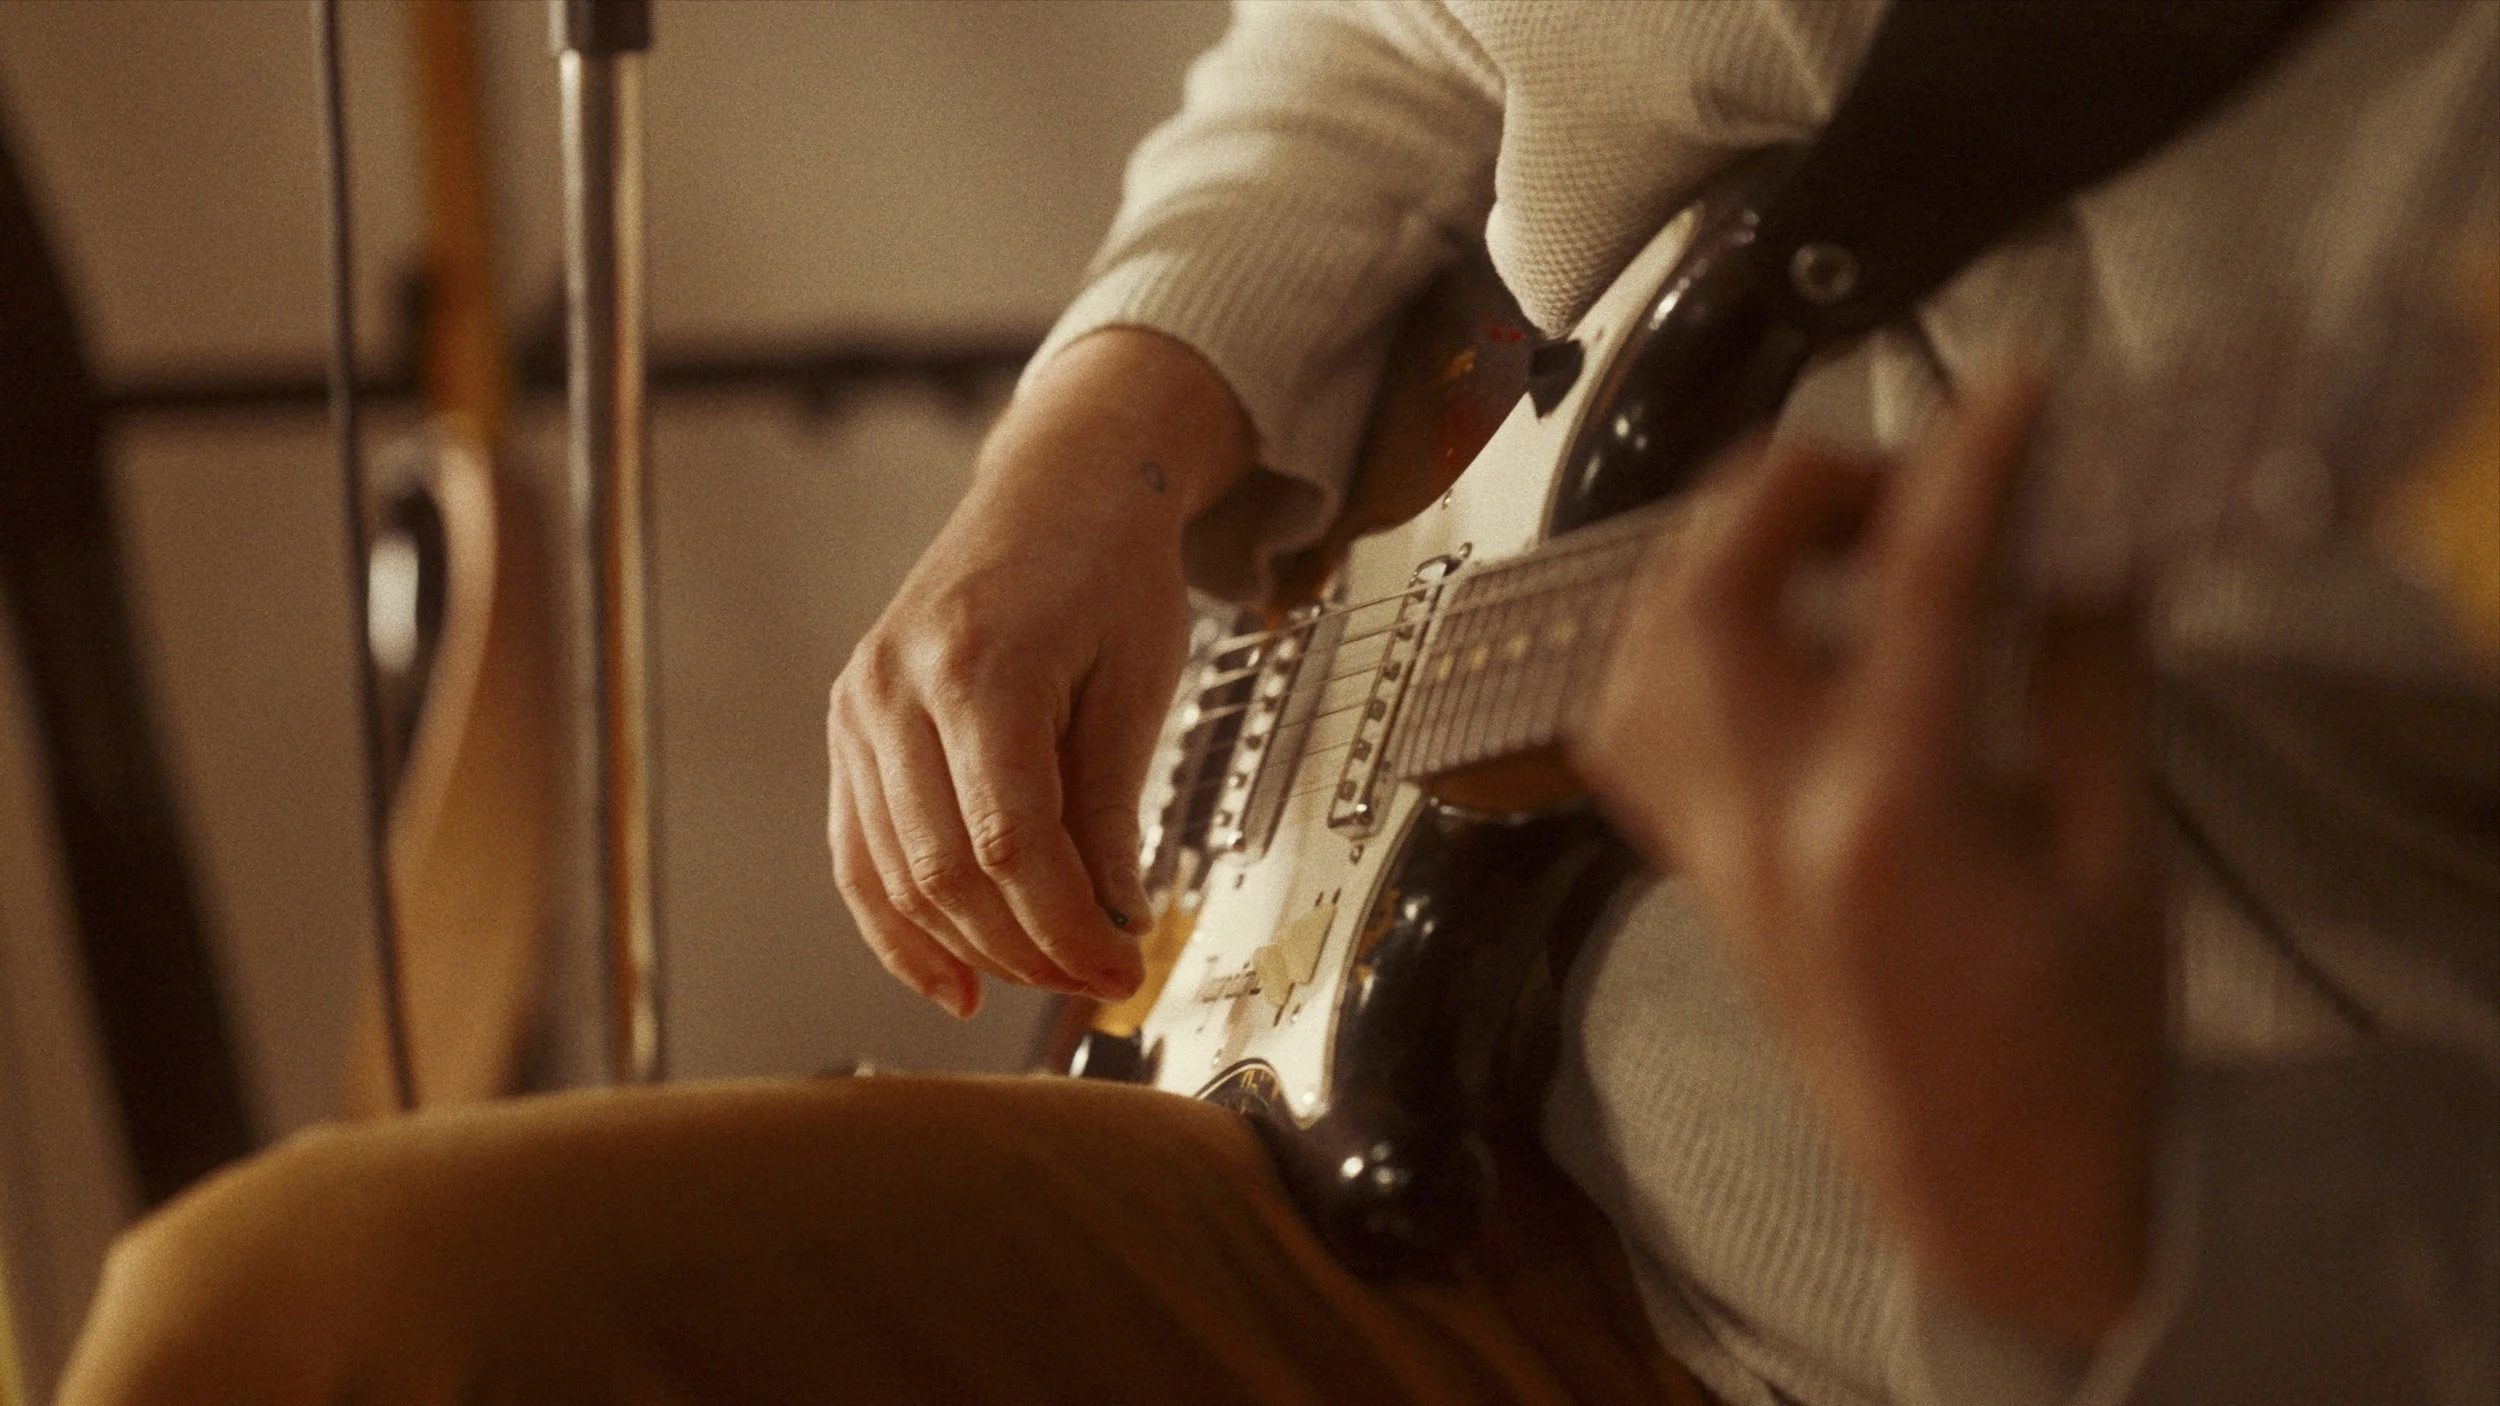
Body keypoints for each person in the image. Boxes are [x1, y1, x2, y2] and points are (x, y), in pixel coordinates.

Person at [58, 2, 2498, 1403]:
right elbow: (1399, 12)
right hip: (1420, 1146)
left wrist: (2068, 1233)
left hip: (2033, 1319)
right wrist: (1105, 429)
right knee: (286, 1332)